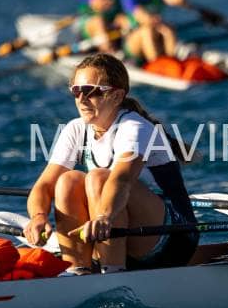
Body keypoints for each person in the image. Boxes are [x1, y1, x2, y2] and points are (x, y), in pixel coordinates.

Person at [23, 53, 198, 273]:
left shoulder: (134, 127)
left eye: (91, 91)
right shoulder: (76, 129)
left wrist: (104, 216)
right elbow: (44, 185)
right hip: (119, 228)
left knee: (99, 178)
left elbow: (121, 179)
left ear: (117, 96)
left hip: (175, 239)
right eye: (76, 91)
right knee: (68, 180)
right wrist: (38, 217)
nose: (81, 99)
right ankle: (77, 270)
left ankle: (113, 271)